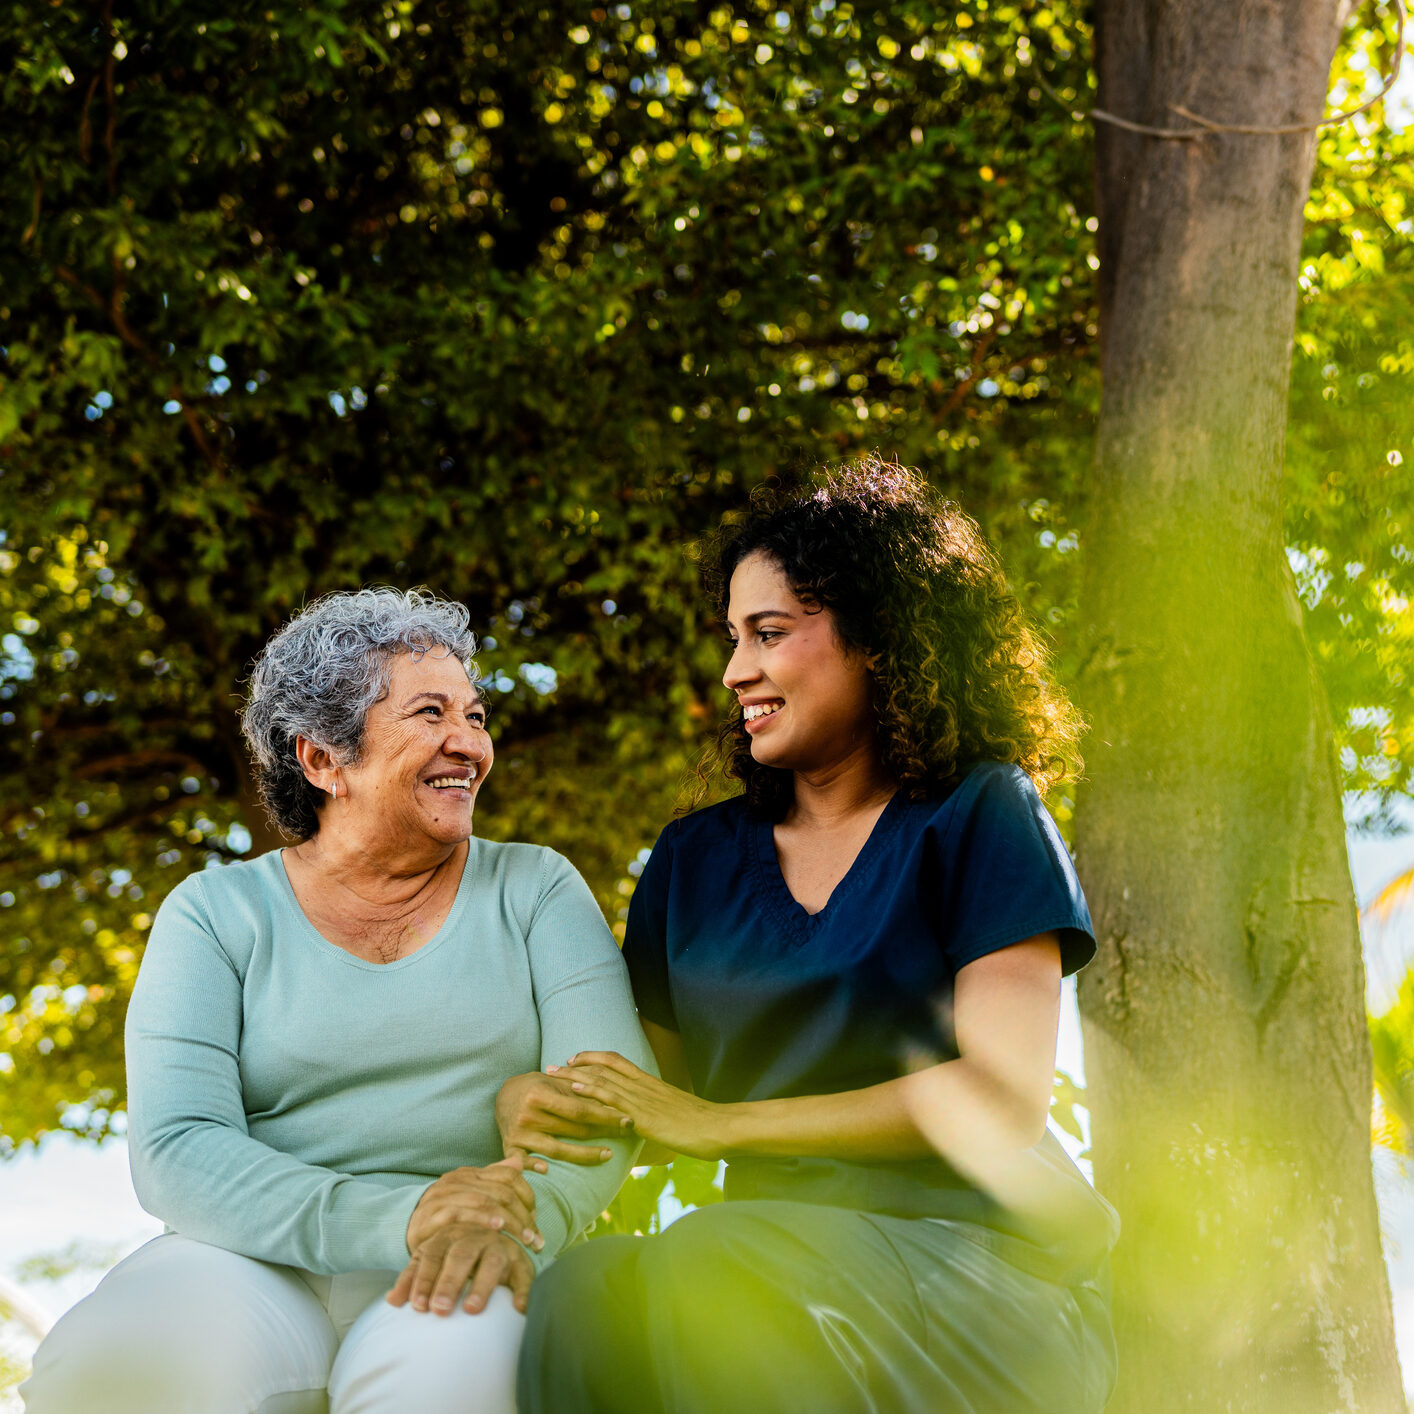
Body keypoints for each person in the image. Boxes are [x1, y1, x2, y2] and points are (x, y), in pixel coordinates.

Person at [506, 460, 1120, 1413]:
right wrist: (530, 1102)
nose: (734, 669)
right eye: (732, 638)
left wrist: (725, 1126)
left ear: (877, 638)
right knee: (585, 1298)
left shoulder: (980, 813)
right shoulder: (693, 860)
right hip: (767, 1268)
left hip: (983, 1271)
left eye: (770, 633)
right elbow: (650, 1099)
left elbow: (1000, 1100)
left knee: (715, 1263)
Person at [23, 587, 652, 1414]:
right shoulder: (214, 913)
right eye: (431, 714)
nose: (469, 744)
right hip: (244, 1255)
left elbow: (600, 1105)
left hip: (477, 1247)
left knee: (457, 1379)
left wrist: (510, 1224)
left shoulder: (535, 888)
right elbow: (179, 1146)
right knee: (119, 1363)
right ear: (322, 759)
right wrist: (401, 1214)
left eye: (476, 715)